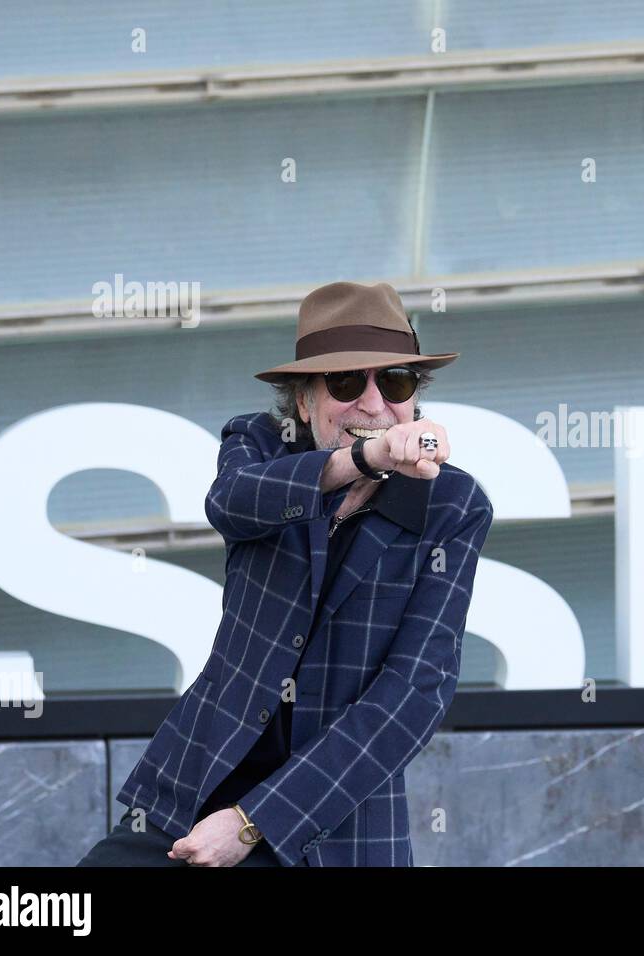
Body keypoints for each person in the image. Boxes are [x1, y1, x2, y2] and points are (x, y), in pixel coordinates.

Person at [78, 280, 494, 866]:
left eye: (394, 381)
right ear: (304, 402)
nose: (374, 404)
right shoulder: (260, 447)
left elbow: (413, 696)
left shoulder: (451, 504)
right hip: (190, 793)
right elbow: (231, 502)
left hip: (324, 824)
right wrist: (361, 460)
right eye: (347, 382)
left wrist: (252, 823)